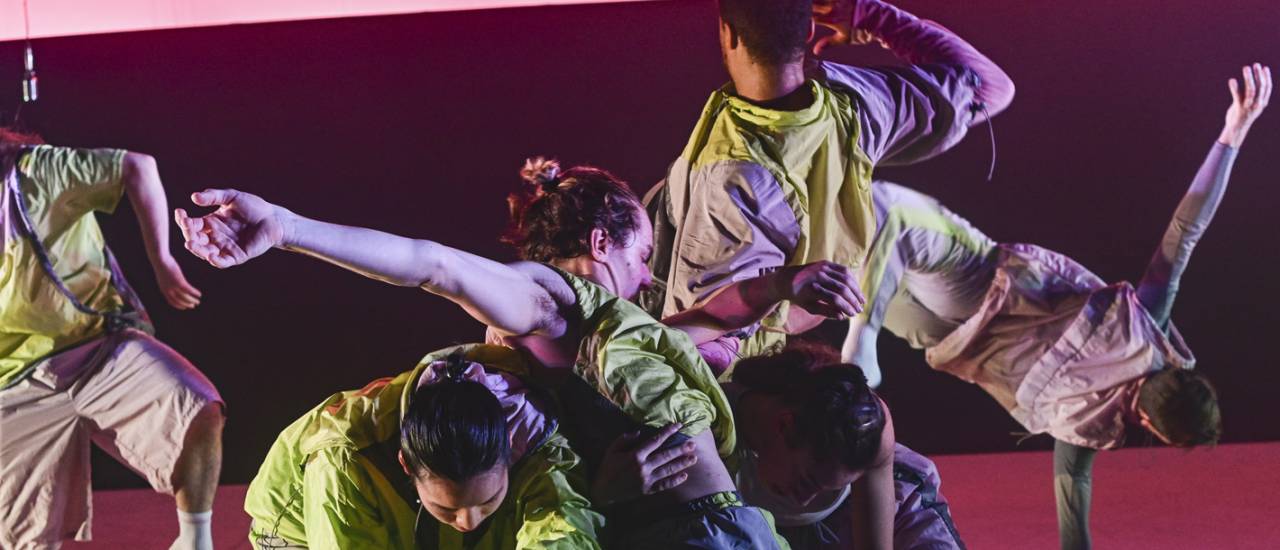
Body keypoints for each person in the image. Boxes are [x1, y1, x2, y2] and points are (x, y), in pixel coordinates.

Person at [175, 159, 856, 547]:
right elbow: (432, 266)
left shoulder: (606, 333)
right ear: (598, 244)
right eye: (641, 255)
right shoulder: (548, 303)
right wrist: (291, 229)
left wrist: (782, 286)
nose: (647, 275)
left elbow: (704, 317)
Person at [839, 65, 1271, 549]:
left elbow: (1184, 234)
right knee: (851, 266)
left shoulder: (1146, 328)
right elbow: (1073, 498)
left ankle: (854, 326)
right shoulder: (1086, 426)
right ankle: (841, 317)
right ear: (1149, 426)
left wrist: (1233, 133)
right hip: (945, 338)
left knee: (887, 211)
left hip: (976, 286)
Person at [645, 0, 1015, 360]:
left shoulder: (730, 177)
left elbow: (709, 342)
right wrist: (872, 16)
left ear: (728, 35)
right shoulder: (854, 100)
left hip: (715, 378)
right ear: (808, 30)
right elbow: (989, 87)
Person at [0, 132, 224, 550]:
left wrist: (163, 260)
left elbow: (137, 166)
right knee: (22, 541)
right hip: (11, 384)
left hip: (100, 349)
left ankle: (195, 541)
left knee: (196, 406)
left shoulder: (39, 171)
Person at [243, 344, 604, 549]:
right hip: (300, 532)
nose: (467, 521)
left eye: (487, 500)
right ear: (405, 464)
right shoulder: (342, 460)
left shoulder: (538, 442)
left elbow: (561, 530)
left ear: (509, 449)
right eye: (447, 508)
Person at [725, 343, 962, 550]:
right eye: (806, 481)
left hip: (856, 514)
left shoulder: (867, 423)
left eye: (824, 488)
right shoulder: (713, 423)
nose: (805, 500)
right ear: (785, 426)